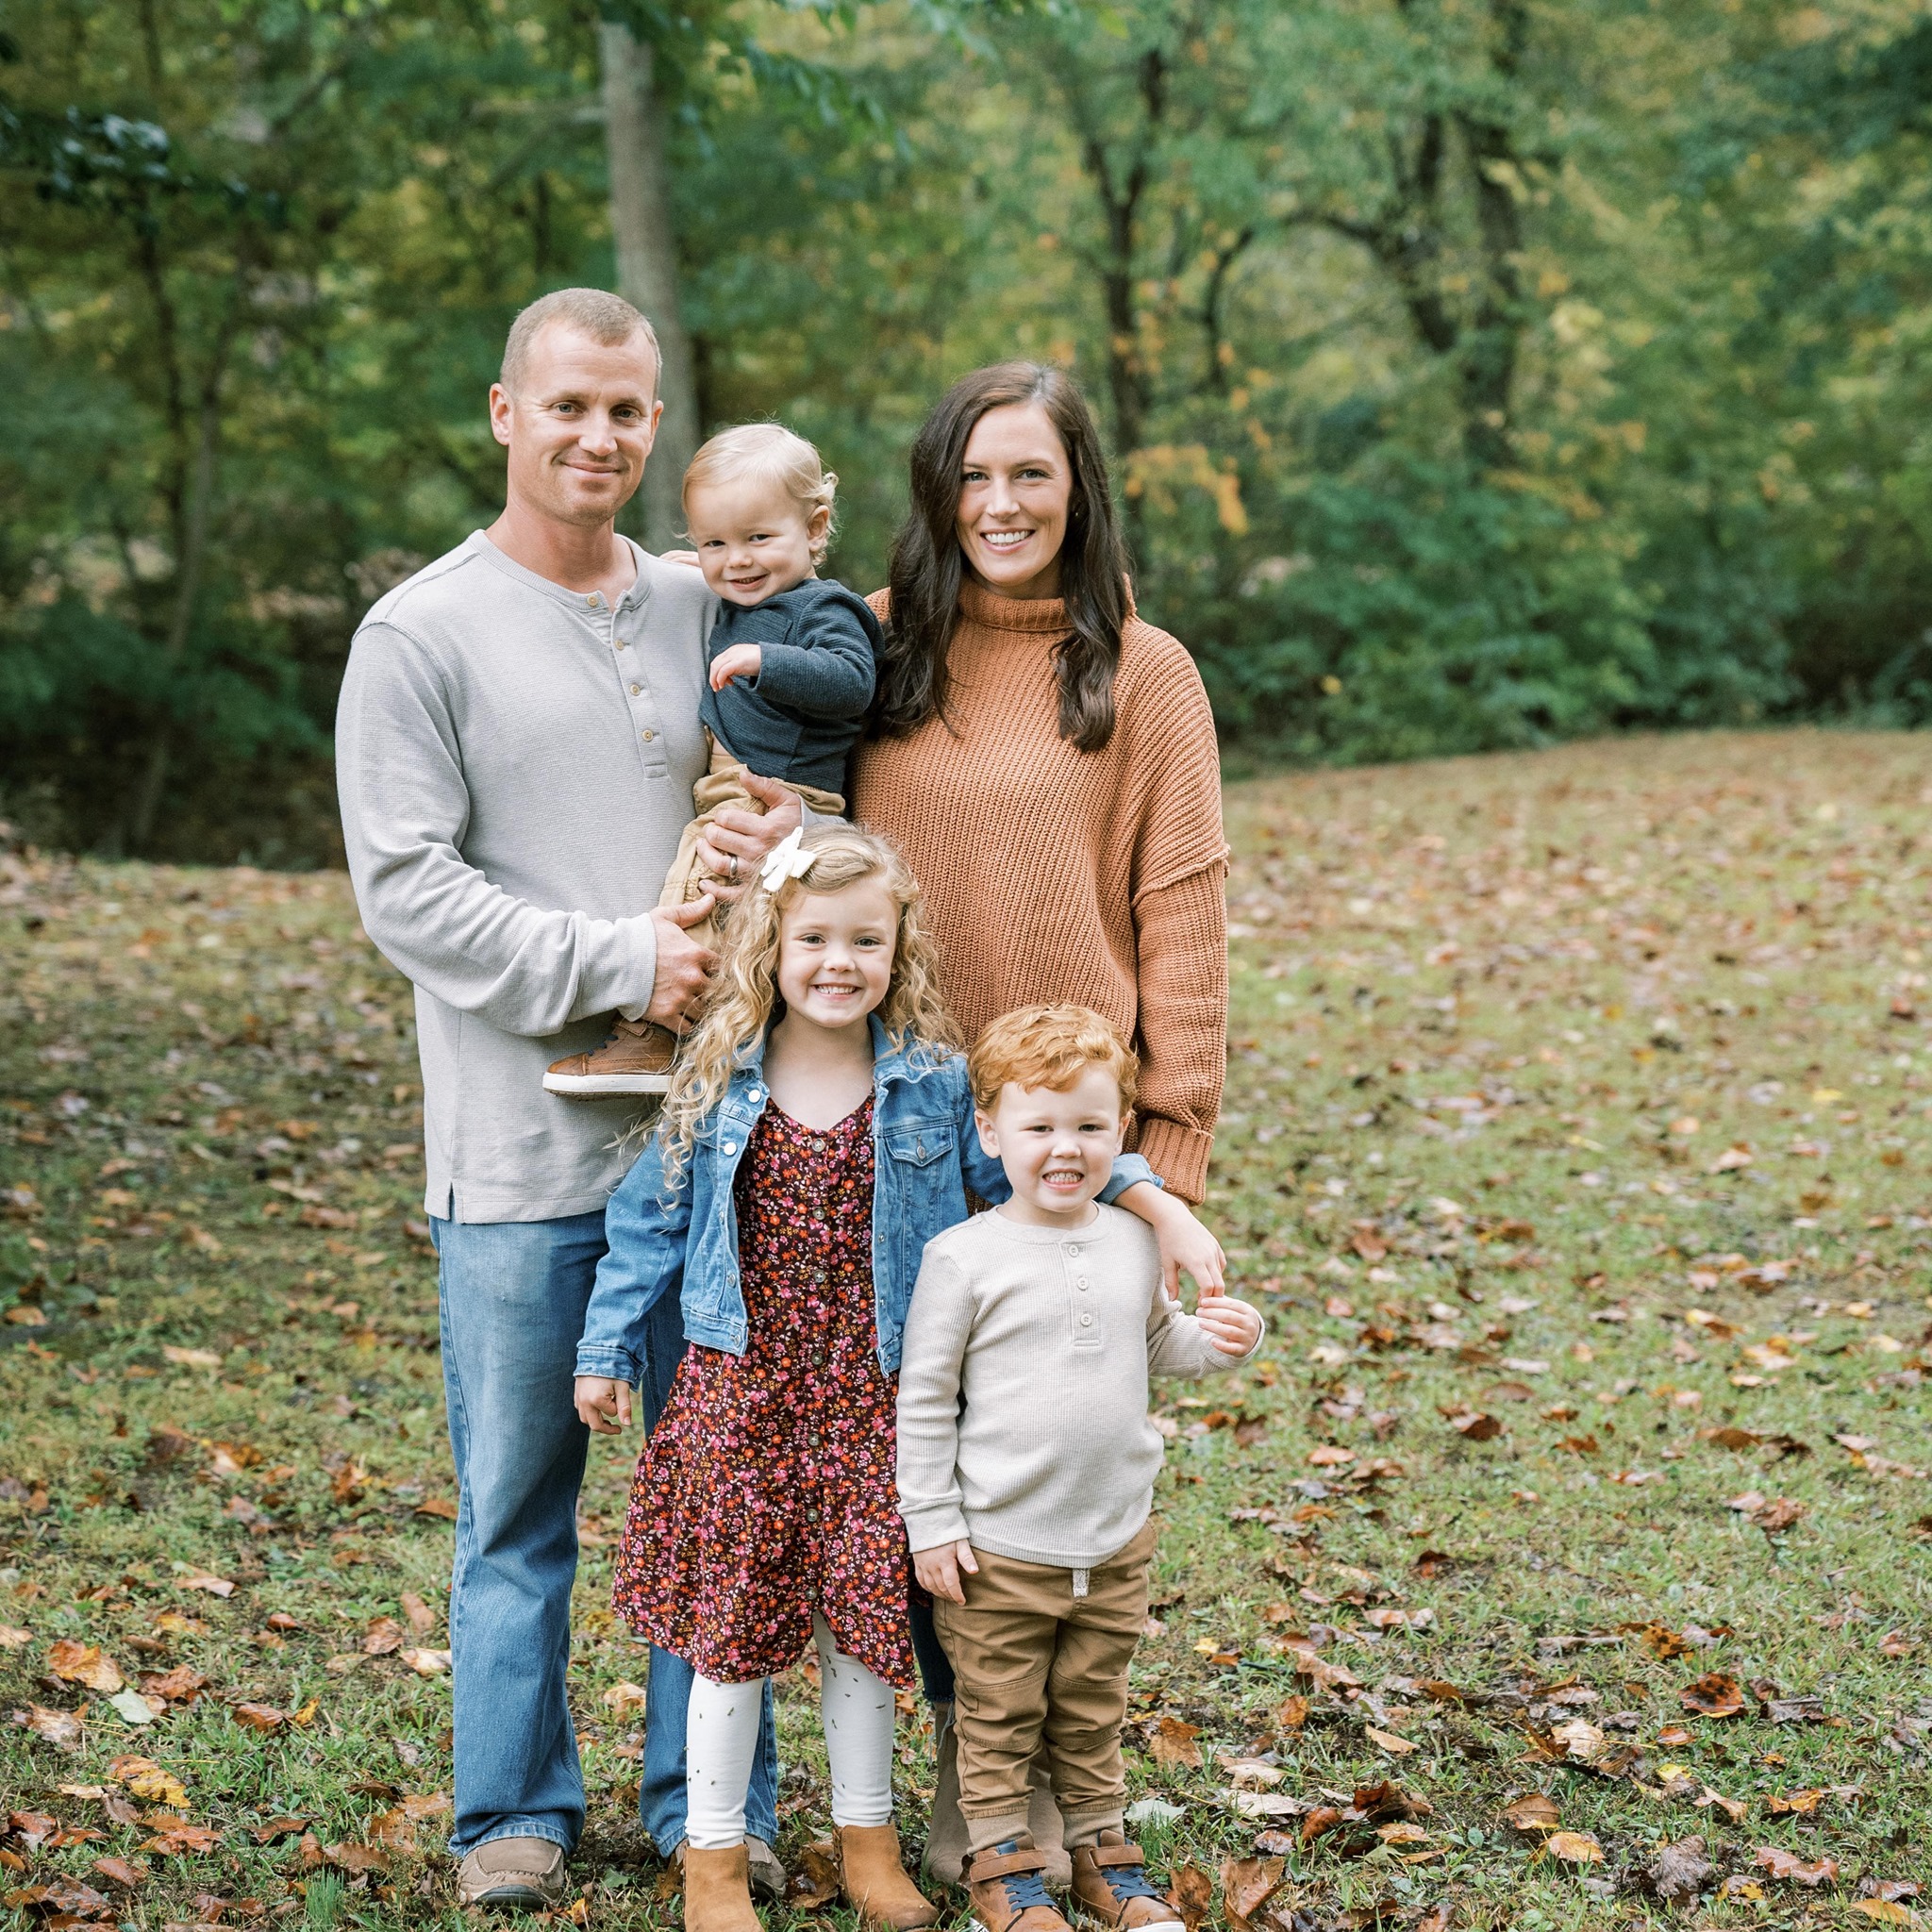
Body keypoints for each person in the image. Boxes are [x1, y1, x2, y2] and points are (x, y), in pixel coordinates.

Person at [335, 287, 801, 1911]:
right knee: (519, 1507)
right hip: (521, 1156)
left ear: (654, 421)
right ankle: (510, 1813)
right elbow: (405, 890)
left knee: (714, 1491)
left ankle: (705, 1801)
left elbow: (793, 751)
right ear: (502, 413)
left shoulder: (696, 601)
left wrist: (761, 835)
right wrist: (619, 954)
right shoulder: (420, 631)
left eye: (627, 410)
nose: (599, 436)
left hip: (711, 1149)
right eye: (569, 407)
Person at [570, 826, 1225, 1932]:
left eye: (864, 939)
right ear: (769, 948)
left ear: (896, 949)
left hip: (871, 1395)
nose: (839, 960)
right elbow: (646, 1223)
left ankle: (868, 1842)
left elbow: (1036, 1156)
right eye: (814, 937)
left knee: (863, 1629)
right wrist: (602, 1347)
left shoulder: (927, 1084)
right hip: (741, 1398)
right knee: (729, 1635)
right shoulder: (718, 1080)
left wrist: (1151, 1197)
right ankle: (714, 1860)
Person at [851, 361, 1231, 1882]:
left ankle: (1043, 1792)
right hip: (892, 1124)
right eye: (974, 477)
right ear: (939, 492)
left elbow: (1184, 924)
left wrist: (1168, 1165)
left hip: (1069, 1141)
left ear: (1080, 490)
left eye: (1032, 476)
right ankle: (973, 1774)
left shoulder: (1144, 673)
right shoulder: (874, 650)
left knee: (1053, 1465)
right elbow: (724, 624)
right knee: (924, 1448)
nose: (1001, 506)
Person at [896, 1006, 1262, 1932]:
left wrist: (1223, 1341)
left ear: (1121, 1132)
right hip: (998, 1547)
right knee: (996, 1713)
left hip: (1109, 1539)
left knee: (1092, 1707)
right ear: (989, 1131)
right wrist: (930, 1522)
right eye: (1039, 1125)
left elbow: (1158, 1344)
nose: (1065, 1147)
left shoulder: (1131, 1239)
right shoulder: (962, 1256)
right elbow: (925, 1398)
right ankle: (1002, 1868)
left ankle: (1103, 1857)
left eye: (1090, 1126)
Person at [545, 423, 881, 1099]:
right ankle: (706, 1038)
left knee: (699, 899)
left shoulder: (824, 609)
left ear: (815, 528)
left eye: (758, 539)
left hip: (777, 793)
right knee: (715, 897)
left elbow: (854, 681)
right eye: (715, 543)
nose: (738, 561)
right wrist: (691, 569)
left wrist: (770, 661)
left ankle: (659, 1038)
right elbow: (729, 574)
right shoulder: (743, 592)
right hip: (738, 786)